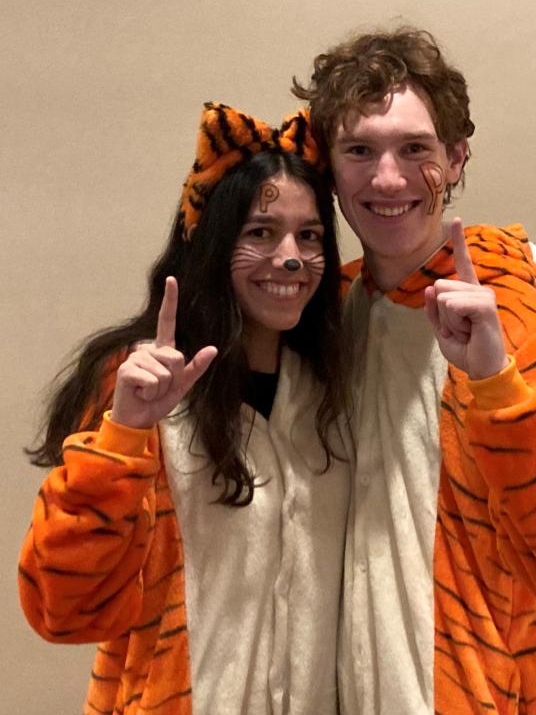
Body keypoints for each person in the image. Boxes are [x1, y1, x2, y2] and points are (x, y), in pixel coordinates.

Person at [293, 27, 536, 714]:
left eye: (415, 149)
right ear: (329, 167)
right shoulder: (327, 312)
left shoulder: (516, 321)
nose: (387, 178)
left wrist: (497, 384)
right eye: (360, 150)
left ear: (457, 156)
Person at [18, 103, 348, 715]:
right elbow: (62, 611)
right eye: (260, 233)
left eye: (309, 235)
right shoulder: (135, 383)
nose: (292, 257)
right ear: (213, 245)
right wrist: (121, 443)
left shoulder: (335, 390)